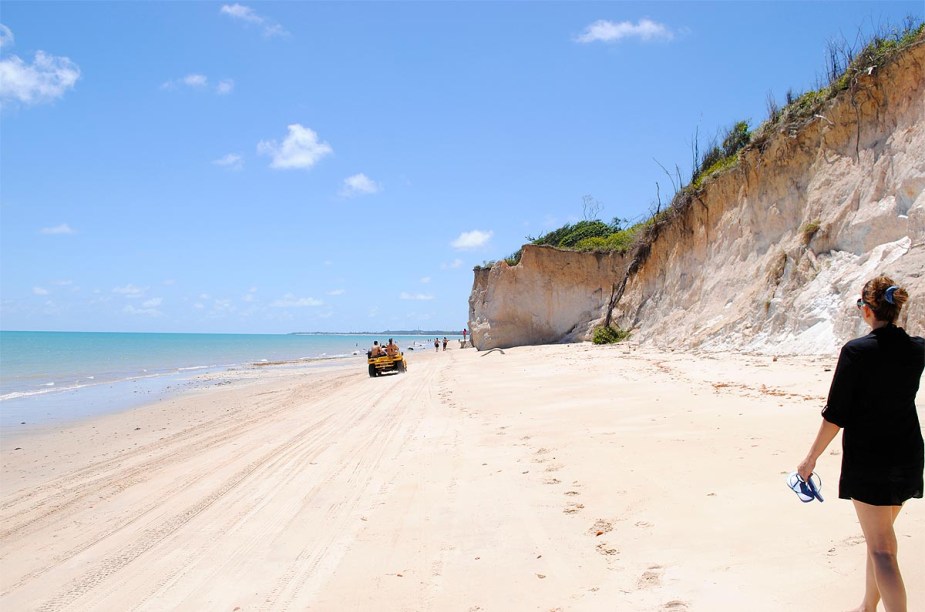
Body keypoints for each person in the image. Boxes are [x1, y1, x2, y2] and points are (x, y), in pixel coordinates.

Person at [796, 276, 923, 612]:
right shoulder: (918, 349)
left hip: (871, 462)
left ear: (867, 311)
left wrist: (810, 460)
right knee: (880, 540)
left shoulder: (856, 352)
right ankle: (867, 607)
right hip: (909, 455)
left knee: (881, 549)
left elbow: (836, 414)